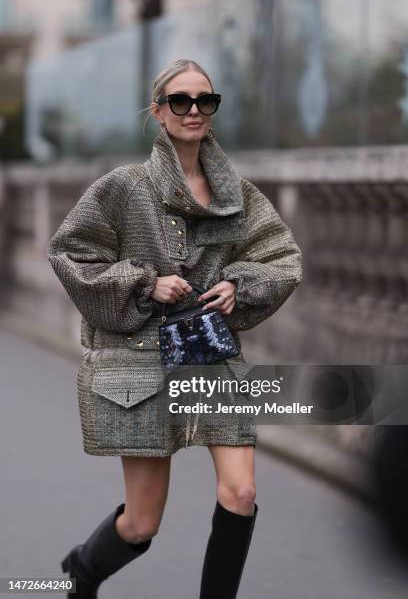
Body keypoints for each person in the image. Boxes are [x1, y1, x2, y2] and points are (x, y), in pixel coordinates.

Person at [48, 58, 302, 598]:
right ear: (158, 111)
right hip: (140, 360)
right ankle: (83, 572)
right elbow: (70, 252)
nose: (193, 110)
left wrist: (239, 283)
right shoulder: (123, 188)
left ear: (214, 111)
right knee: (141, 524)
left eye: (205, 101)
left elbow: (281, 258)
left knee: (241, 491)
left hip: (210, 357)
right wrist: (145, 282)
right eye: (180, 101)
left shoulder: (240, 196)